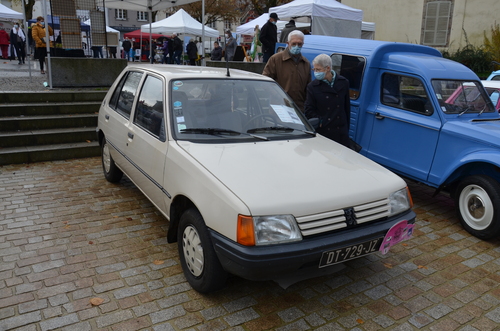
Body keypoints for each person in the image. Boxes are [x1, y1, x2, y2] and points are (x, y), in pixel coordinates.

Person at [305, 54, 351, 148]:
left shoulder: (343, 82)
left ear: (328, 68)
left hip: (340, 132)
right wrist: (321, 121)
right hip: (324, 131)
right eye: (314, 70)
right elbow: (309, 110)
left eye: (318, 69)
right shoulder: (313, 87)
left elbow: (346, 109)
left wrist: (346, 128)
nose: (316, 72)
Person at [262, 30, 311, 112]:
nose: (297, 46)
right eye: (294, 44)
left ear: (303, 44)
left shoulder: (305, 63)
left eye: (299, 44)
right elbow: (265, 82)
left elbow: (308, 88)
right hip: (279, 107)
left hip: (299, 109)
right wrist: (280, 97)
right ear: (288, 43)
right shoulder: (276, 59)